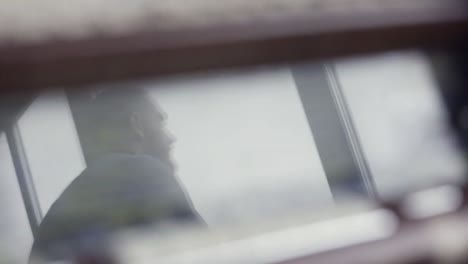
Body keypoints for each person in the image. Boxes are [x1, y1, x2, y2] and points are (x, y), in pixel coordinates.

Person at [30, 85, 202, 262]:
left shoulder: (68, 202)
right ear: (136, 125)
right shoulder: (144, 170)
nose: (171, 138)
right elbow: (204, 254)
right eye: (161, 122)